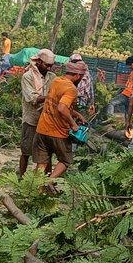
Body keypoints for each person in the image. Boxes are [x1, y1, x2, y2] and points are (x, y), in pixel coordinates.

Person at [33, 58, 87, 181]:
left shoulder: (56, 81)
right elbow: (62, 108)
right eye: (82, 77)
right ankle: (49, 181)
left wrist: (76, 114)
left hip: (42, 129)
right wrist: (74, 124)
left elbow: (56, 103)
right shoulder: (71, 89)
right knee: (66, 160)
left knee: (42, 163)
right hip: (58, 132)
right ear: (77, 75)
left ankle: (36, 188)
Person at [19, 48, 55, 176]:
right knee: (26, 151)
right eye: (47, 65)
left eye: (51, 66)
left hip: (46, 120)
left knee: (47, 152)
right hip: (32, 119)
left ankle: (46, 180)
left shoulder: (52, 77)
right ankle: (21, 177)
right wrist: (51, 97)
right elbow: (31, 98)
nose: (49, 68)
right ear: (39, 61)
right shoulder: (28, 77)